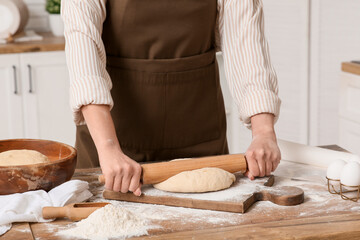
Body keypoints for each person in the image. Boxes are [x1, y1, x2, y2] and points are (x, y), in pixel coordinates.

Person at [61, 0, 281, 197]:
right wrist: (109, 148)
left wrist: (263, 132)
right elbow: (84, 53)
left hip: (201, 143)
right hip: (113, 146)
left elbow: (246, 44)